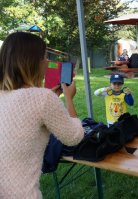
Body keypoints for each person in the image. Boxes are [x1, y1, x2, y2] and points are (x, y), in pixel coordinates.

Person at [0, 32, 84, 198]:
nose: (47, 62)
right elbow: (74, 137)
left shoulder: (37, 98)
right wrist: (68, 98)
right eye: (45, 57)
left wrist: (51, 98)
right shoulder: (42, 98)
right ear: (31, 62)